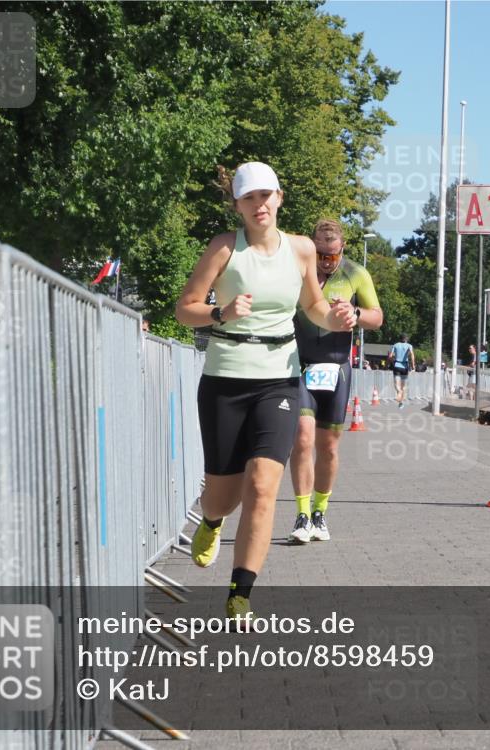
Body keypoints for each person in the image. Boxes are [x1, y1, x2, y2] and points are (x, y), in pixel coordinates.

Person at [174, 162, 355, 622]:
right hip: (225, 378)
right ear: (237, 205)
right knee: (223, 495)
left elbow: (313, 305)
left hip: (279, 377)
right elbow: (185, 309)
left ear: (279, 198)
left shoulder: (300, 250)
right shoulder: (224, 248)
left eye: (266, 196)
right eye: (249, 198)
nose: (260, 205)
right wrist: (220, 313)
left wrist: (335, 318)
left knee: (262, 485)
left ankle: (240, 593)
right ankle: (212, 521)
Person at [288, 219, 383, 544]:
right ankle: (301, 515)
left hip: (337, 368)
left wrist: (356, 313)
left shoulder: (355, 273)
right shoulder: (300, 270)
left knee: (327, 448)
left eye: (332, 255)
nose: (327, 262)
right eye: (321, 255)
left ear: (342, 249)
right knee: (301, 438)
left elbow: (377, 317)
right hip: (300, 365)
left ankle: (320, 512)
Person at [388, 334, 415, 408]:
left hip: (397, 366)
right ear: (406, 339)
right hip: (405, 367)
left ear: (400, 338)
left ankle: (400, 397)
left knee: (397, 385)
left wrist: (391, 363)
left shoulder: (395, 345)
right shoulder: (409, 345)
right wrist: (413, 365)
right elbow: (412, 355)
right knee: (403, 386)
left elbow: (390, 356)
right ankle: (401, 402)